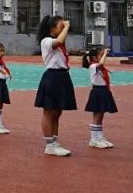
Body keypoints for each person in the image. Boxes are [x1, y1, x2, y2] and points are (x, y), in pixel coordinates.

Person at [35, 15, 76, 157]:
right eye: (60, 25)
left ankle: (55, 141)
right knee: (49, 111)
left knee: (58, 112)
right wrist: (67, 27)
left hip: (62, 76)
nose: (64, 27)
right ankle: (49, 144)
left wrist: (64, 27)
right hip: (52, 77)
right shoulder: (46, 41)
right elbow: (59, 40)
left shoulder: (58, 42)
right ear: (52, 28)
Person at [83, 46, 117, 148]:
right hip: (98, 92)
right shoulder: (93, 66)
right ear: (94, 57)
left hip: (103, 91)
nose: (102, 57)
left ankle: (100, 138)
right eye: (100, 55)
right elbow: (101, 63)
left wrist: (103, 54)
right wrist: (105, 53)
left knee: (101, 117)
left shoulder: (99, 67)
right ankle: (94, 139)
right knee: (96, 117)